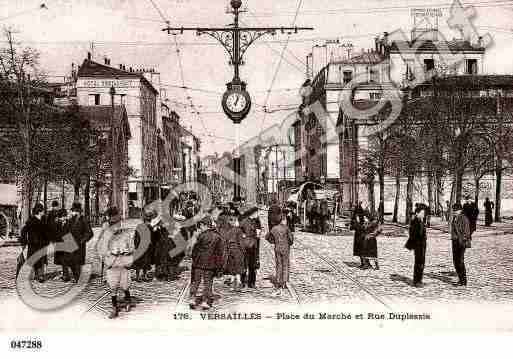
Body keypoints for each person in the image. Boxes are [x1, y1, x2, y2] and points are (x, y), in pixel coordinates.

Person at [97, 207, 134, 319]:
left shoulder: (126, 234)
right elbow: (101, 250)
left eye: (117, 223)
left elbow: (132, 247)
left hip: (123, 261)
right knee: (113, 285)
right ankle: (114, 307)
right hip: (112, 262)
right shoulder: (106, 236)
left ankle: (128, 300)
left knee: (125, 284)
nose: (115, 226)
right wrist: (109, 252)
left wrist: (127, 251)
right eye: (113, 224)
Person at [189, 216, 225, 310]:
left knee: (195, 281)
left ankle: (192, 299)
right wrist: (219, 265)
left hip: (199, 263)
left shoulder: (202, 235)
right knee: (208, 283)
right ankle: (205, 301)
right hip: (210, 264)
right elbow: (220, 253)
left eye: (201, 226)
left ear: (204, 225)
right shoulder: (218, 236)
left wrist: (194, 258)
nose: (200, 228)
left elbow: (195, 249)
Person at [20, 203, 49, 282]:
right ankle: (37, 275)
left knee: (41, 259)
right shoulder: (31, 220)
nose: (43, 212)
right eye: (42, 210)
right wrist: (24, 241)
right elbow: (23, 231)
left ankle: (39, 275)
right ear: (39, 211)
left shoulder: (43, 220)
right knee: (35, 259)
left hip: (42, 244)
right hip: (34, 244)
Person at [265, 216, 293, 296]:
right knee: (285, 265)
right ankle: (284, 282)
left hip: (277, 248)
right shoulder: (286, 229)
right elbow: (291, 240)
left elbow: (267, 237)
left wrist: (274, 241)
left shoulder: (274, 228)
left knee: (278, 265)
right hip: (285, 248)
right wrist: (289, 242)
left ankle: (278, 280)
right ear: (284, 221)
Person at [67, 202, 94, 283]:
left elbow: (89, 233)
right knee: (70, 261)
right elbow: (67, 231)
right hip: (71, 243)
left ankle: (77, 278)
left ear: (78, 212)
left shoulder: (84, 220)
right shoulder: (70, 220)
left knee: (78, 262)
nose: (72, 212)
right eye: (72, 211)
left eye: (74, 211)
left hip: (80, 244)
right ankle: (76, 276)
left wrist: (82, 240)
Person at [239, 206, 262, 289]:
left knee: (253, 265)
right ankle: (243, 282)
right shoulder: (244, 222)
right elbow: (239, 231)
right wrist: (243, 236)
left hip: (254, 245)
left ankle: (251, 283)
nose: (258, 214)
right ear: (253, 213)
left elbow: (258, 233)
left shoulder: (256, 221)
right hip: (246, 246)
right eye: (257, 213)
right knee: (245, 264)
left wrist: (258, 234)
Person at [405, 206, 427, 288]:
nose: (423, 214)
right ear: (417, 213)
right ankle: (416, 281)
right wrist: (417, 242)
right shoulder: (415, 221)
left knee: (421, 262)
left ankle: (419, 280)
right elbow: (413, 234)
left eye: (424, 213)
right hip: (418, 245)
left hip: (422, 245)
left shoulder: (420, 221)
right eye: (422, 213)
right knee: (419, 262)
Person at [222, 213, 245, 291]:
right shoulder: (238, 230)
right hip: (237, 250)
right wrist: (243, 251)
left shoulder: (228, 231)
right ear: (235, 221)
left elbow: (225, 241)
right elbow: (241, 242)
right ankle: (238, 283)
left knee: (232, 268)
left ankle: (232, 285)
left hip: (230, 250)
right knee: (238, 268)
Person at [132, 209, 156, 282]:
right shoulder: (150, 227)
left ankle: (138, 276)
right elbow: (152, 238)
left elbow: (136, 237)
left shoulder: (140, 226)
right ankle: (143, 276)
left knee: (140, 262)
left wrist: (136, 246)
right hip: (146, 247)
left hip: (142, 246)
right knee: (145, 261)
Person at [451, 203, 471, 286]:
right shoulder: (455, 218)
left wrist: (462, 241)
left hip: (461, 242)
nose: (454, 212)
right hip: (455, 241)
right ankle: (460, 279)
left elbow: (466, 232)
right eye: (453, 210)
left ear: (460, 210)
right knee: (455, 261)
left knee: (460, 261)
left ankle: (463, 280)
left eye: (456, 210)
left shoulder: (464, 218)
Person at [54, 209, 72, 282]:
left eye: (62, 217)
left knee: (67, 259)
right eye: (60, 217)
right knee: (62, 259)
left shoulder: (69, 223)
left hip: (67, 242)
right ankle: (65, 274)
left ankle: (68, 275)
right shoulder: (58, 223)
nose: (61, 219)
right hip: (60, 243)